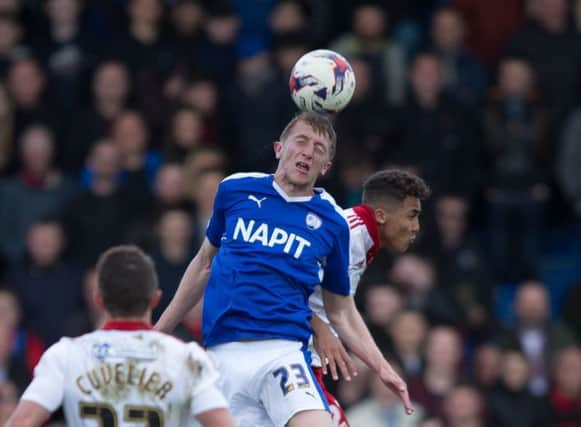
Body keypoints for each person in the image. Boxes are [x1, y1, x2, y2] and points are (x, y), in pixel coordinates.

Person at [155, 112, 414, 427]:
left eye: (319, 149)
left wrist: (383, 368)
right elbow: (203, 264)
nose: (307, 151)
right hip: (222, 352)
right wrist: (157, 334)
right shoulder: (235, 189)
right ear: (279, 148)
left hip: (283, 353)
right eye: (301, 141)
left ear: (326, 167)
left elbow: (341, 310)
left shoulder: (332, 222)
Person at [5, 245, 234, 427]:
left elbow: (23, 421)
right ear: (155, 299)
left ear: (98, 299)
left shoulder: (65, 355)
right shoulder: (189, 359)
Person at [309, 169, 430, 425]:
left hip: (305, 361)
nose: (416, 227)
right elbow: (288, 282)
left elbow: (343, 308)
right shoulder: (347, 233)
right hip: (286, 354)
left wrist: (382, 368)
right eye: (412, 215)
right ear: (382, 215)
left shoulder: (362, 238)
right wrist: (320, 328)